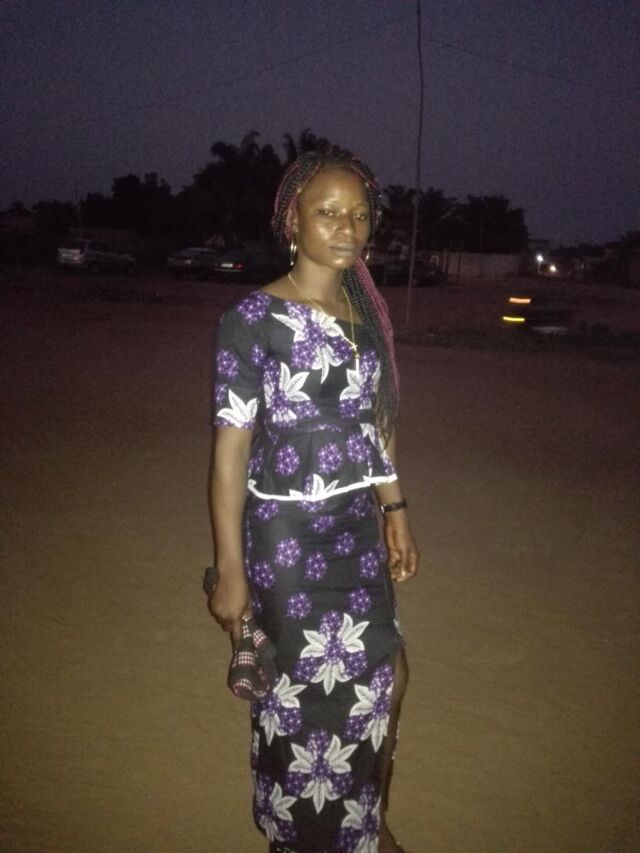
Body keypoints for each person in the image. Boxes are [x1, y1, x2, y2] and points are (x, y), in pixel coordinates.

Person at [208, 145, 419, 853]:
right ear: (291, 219)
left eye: (359, 214)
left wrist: (395, 510)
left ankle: (363, 820)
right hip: (288, 539)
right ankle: (299, 833)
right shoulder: (252, 318)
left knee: (383, 674)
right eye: (328, 212)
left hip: (355, 529)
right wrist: (230, 568)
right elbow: (230, 452)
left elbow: (376, 424)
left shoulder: (364, 318)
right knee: (298, 694)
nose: (347, 227)